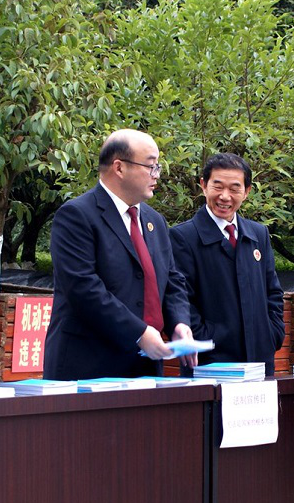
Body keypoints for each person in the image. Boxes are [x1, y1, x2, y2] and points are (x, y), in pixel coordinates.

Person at [44, 129, 194, 380]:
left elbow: (171, 280)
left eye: (157, 167)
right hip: (89, 366)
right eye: (150, 166)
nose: (157, 174)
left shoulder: (154, 221)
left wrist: (179, 323)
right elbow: (83, 287)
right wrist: (139, 332)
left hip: (146, 366)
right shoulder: (77, 215)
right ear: (119, 167)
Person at [169, 153, 285, 375]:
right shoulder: (182, 237)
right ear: (203, 185)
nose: (225, 196)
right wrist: (206, 337)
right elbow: (180, 298)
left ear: (247, 191)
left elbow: (273, 292)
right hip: (210, 363)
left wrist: (272, 333)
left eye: (234, 188)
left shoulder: (258, 234)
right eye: (218, 186)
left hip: (259, 359)